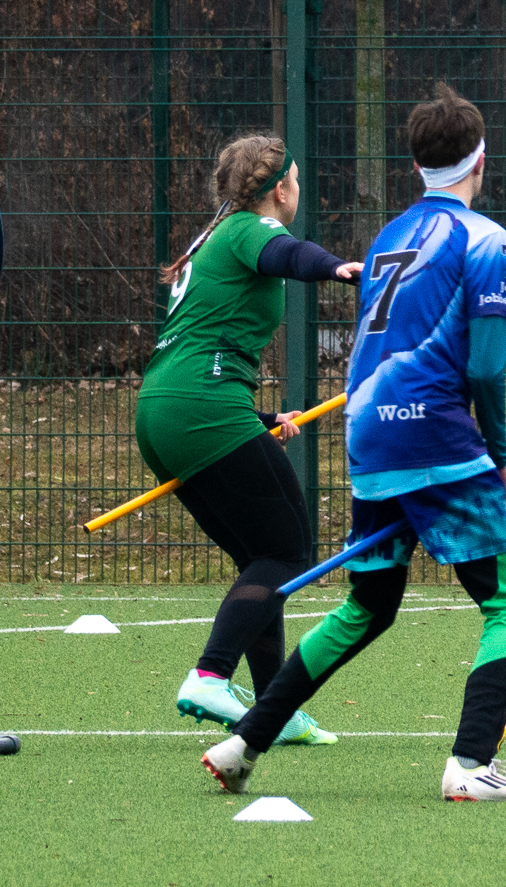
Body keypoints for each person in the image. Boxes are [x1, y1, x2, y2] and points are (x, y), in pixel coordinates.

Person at [203, 83, 506, 802]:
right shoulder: (486, 240)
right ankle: (469, 765)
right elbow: (485, 365)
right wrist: (498, 449)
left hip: (370, 436)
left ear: (416, 164)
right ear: (480, 160)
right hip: (439, 438)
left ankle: (242, 743)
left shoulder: (387, 236)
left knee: (367, 605)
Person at [137, 133, 359, 745]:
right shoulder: (247, 229)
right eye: (296, 178)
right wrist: (339, 269)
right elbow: (290, 256)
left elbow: (208, 340)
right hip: (198, 405)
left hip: (167, 407)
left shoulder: (216, 237)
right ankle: (210, 676)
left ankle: (273, 710)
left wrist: (256, 421)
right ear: (280, 188)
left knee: (263, 558)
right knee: (287, 552)